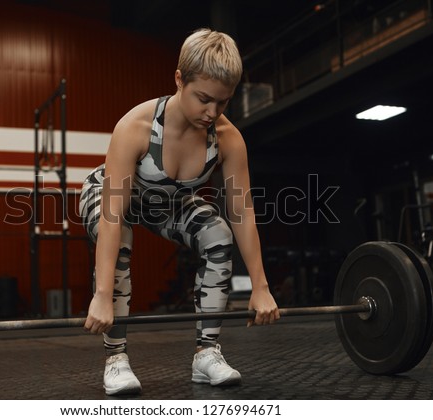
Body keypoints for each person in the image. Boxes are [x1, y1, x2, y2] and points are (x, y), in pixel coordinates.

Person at [79, 28, 280, 396]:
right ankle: (116, 358)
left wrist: (260, 287)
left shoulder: (228, 138)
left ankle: (207, 354)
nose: (212, 112)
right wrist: (103, 294)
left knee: (218, 232)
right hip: (109, 196)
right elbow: (111, 216)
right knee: (120, 234)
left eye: (223, 102)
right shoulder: (135, 127)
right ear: (179, 79)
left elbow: (242, 212)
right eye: (204, 98)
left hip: (168, 204)